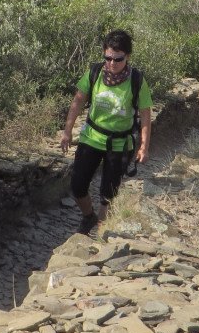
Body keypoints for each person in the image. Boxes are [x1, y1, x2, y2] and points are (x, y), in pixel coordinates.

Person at [59, 29, 152, 234]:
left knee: (108, 193)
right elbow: (77, 101)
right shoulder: (94, 73)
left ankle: (101, 234)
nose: (111, 63)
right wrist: (67, 131)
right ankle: (88, 217)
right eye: (107, 57)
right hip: (91, 138)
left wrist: (144, 146)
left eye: (117, 59)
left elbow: (145, 114)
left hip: (119, 144)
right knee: (77, 186)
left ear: (127, 56)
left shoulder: (136, 80)